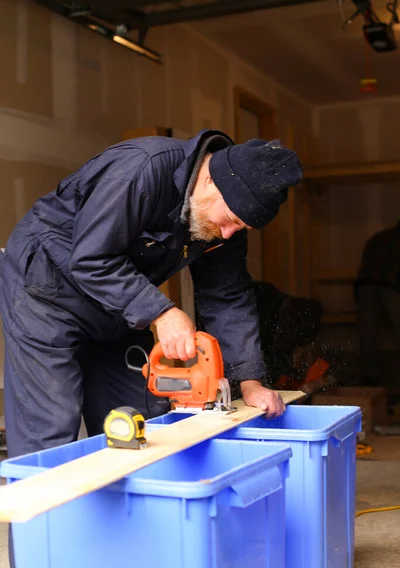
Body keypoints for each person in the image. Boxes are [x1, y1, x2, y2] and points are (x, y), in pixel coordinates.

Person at [0, 128, 302, 461]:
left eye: (241, 228)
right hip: (47, 290)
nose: (229, 233)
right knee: (49, 429)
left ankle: (131, 512)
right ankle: (43, 510)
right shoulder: (139, 170)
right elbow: (91, 259)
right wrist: (161, 312)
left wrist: (249, 380)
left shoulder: (226, 216)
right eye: (229, 220)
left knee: (145, 425)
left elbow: (227, 295)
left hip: (116, 304)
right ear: (210, 183)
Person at [354, 222, 400, 386]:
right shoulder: (396, 240)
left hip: (366, 284)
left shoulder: (379, 237)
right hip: (390, 285)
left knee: (367, 330)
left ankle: (369, 374)